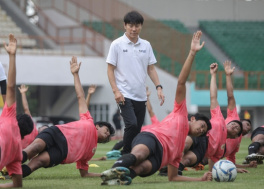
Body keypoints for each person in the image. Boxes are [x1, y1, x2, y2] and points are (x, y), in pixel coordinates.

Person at [100, 31, 212, 185]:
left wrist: (200, 178)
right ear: (193, 119)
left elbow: (173, 177)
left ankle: (120, 179)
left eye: (203, 132)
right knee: (140, 154)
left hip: (160, 156)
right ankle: (114, 169)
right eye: (202, 126)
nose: (201, 130)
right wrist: (192, 53)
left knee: (143, 167)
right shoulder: (181, 113)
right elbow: (181, 82)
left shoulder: (180, 151)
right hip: (153, 138)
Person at [20, 56, 115, 178]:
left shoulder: (91, 152)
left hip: (62, 152)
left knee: (38, 162)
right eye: (106, 130)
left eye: (108, 137)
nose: (107, 135)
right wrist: (76, 74)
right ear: (97, 126)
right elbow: (80, 96)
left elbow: (84, 174)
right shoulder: (88, 119)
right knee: (35, 147)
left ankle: (11, 174)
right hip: (57, 133)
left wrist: (104, 174)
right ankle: (6, 163)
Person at [106, 10, 165, 155]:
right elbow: (110, 69)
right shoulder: (117, 44)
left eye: (137, 25)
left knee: (137, 129)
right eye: (130, 25)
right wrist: (116, 91)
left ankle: (132, 157)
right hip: (124, 94)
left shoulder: (146, 45)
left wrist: (158, 87)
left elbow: (151, 69)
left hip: (141, 95)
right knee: (131, 124)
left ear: (141, 26)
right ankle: (125, 156)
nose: (134, 29)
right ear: (125, 25)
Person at [0, 34, 34, 188]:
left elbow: (11, 85)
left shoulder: (9, 117)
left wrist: (12, 56)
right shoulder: (18, 152)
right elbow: (17, 184)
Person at [18, 84, 39, 149]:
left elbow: (26, 109)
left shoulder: (15, 136)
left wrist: (23, 93)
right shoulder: (33, 131)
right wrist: (23, 93)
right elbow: (26, 109)